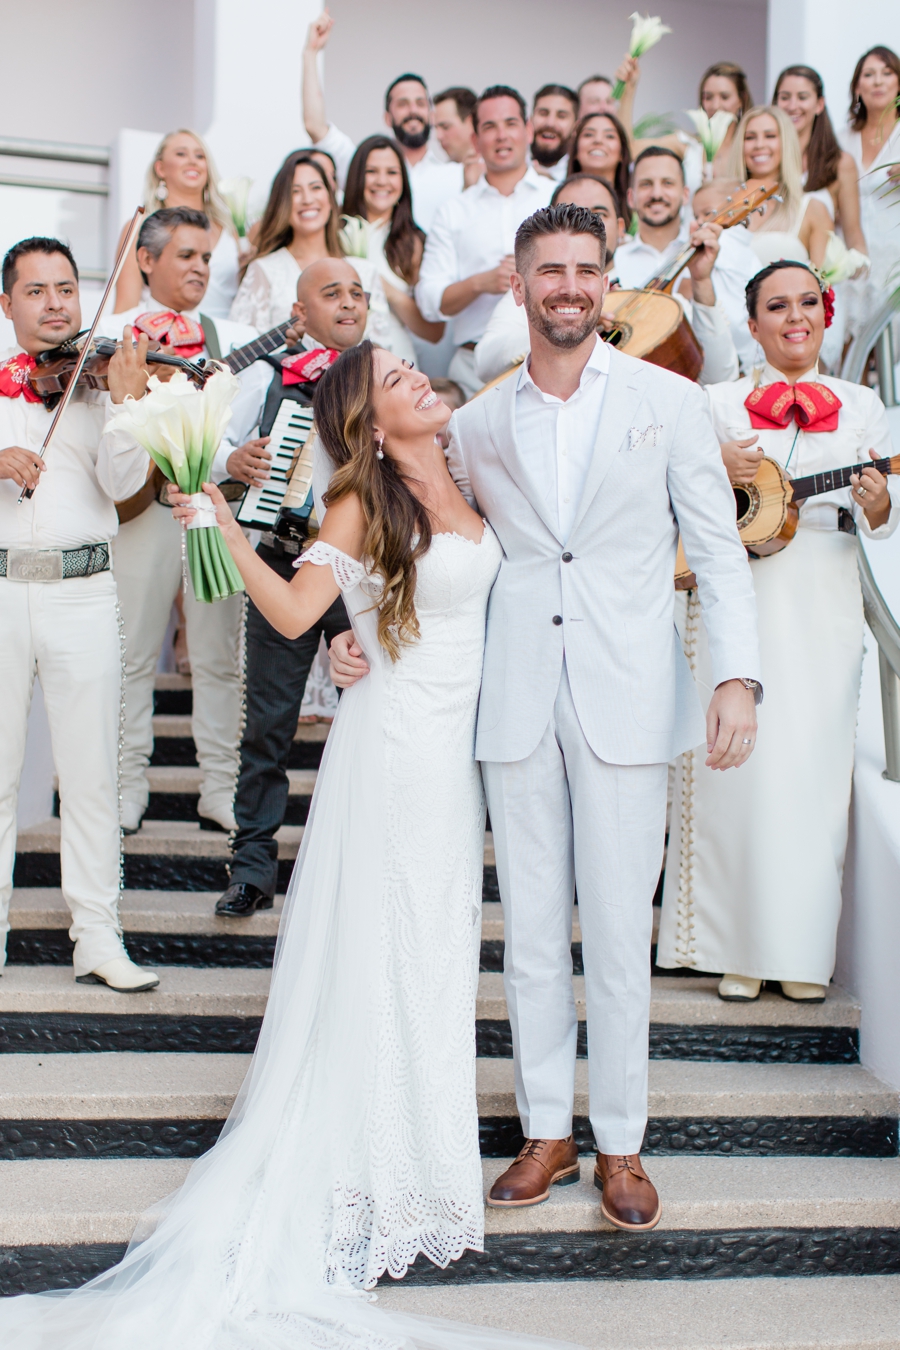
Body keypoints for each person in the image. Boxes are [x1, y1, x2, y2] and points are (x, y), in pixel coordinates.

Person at [0, 328, 580, 1350]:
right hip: (395, 754)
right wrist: (223, 524)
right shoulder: (363, 501)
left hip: (456, 762)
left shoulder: (470, 477)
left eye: (414, 368)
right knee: (384, 953)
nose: (420, 381)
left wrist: (360, 637)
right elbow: (294, 607)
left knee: (435, 953)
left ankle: (421, 1163)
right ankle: (375, 1170)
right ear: (369, 418)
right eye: (399, 378)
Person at [335, 203, 761, 1229]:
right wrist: (351, 633)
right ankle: (546, 1132)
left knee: (617, 932)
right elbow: (418, 535)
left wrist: (736, 678)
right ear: (518, 286)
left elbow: (720, 546)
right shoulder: (474, 422)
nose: (568, 286)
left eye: (584, 269)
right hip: (511, 694)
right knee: (530, 931)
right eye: (548, 271)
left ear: (607, 282)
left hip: (630, 692)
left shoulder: (671, 401)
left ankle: (621, 1142)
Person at [658, 259, 899, 1002]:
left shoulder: (864, 404)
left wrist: (880, 504)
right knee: (739, 773)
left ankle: (799, 952)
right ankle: (734, 948)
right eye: (776, 306)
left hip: (822, 590)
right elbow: (677, 492)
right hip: (734, 593)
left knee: (810, 773)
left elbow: (882, 524)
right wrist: (713, 464)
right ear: (753, 322)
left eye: (807, 303)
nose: (795, 317)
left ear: (826, 314)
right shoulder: (717, 401)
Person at [0, 237, 159, 993]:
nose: (57, 302)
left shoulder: (98, 382)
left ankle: (97, 937)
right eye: (37, 291)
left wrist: (128, 400)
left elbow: (125, 486)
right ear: (8, 305)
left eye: (67, 287)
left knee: (91, 775)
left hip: (84, 589)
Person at [97, 207, 270, 835]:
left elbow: (238, 430)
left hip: (209, 510)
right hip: (140, 510)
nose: (198, 267)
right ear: (146, 260)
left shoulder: (232, 334)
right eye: (185, 255)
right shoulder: (109, 330)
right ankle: (125, 785)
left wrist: (229, 459)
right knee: (132, 652)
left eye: (205, 257)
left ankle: (220, 786)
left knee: (220, 654)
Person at [214, 257, 367, 917]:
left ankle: (359, 863)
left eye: (358, 293)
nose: (349, 303)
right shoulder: (266, 376)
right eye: (332, 293)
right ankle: (251, 870)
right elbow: (214, 439)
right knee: (269, 724)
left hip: (358, 571)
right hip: (281, 560)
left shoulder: (380, 378)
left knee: (369, 719)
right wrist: (233, 460)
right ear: (299, 313)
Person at [416, 85, 554, 398]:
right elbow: (428, 300)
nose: (501, 135)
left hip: (550, 358)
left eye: (510, 124)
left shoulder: (556, 197)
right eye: (489, 127)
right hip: (471, 368)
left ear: (528, 130)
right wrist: (481, 282)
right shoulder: (454, 211)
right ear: (476, 140)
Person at [301, 10, 463, 233]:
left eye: (420, 103)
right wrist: (310, 54)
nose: (413, 110)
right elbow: (315, 126)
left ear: (431, 115)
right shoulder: (362, 165)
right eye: (403, 104)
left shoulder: (454, 175)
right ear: (388, 117)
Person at [614, 147, 756, 378]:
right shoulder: (614, 262)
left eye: (668, 183)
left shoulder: (719, 252)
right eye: (646, 184)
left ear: (685, 194)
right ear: (630, 197)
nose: (656, 193)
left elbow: (724, 372)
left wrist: (702, 284)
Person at [475, 172, 627, 382]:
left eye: (598, 214)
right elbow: (484, 362)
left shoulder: (647, 283)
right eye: (570, 214)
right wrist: (557, 325)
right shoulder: (531, 289)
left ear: (620, 228)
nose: (584, 224)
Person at [229, 150, 390, 346]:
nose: (307, 199)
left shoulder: (364, 271)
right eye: (295, 191)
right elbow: (239, 349)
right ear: (282, 203)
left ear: (330, 198)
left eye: (315, 188)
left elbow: (381, 349)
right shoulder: (264, 270)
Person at [113, 129, 241, 320]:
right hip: (162, 341)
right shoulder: (139, 226)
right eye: (181, 154)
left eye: (200, 156)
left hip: (223, 343)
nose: (192, 161)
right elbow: (125, 306)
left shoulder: (229, 230)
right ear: (160, 168)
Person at [340, 135, 445, 363]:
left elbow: (434, 331)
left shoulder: (413, 242)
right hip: (342, 359)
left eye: (392, 172)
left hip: (395, 357)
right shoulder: (335, 232)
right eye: (371, 171)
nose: (382, 181)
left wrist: (379, 285)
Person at [838, 46, 900, 345]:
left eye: (887, 73)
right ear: (857, 87)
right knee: (851, 346)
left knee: (890, 346)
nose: (878, 82)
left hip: (894, 257)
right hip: (850, 258)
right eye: (869, 74)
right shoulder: (841, 138)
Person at [726, 105, 832, 270]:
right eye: (750, 137)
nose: (759, 144)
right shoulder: (723, 207)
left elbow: (823, 286)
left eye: (770, 136)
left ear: (786, 143)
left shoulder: (812, 208)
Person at [774, 65, 867, 253]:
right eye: (785, 97)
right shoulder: (763, 159)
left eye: (802, 97)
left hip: (817, 273)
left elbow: (853, 235)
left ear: (819, 104)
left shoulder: (840, 164)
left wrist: (856, 265)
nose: (792, 106)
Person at [568, 111, 631, 210]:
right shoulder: (555, 200)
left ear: (622, 154)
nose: (598, 140)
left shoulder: (636, 206)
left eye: (609, 136)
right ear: (575, 150)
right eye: (588, 134)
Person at [433, 86, 483, 187]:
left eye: (445, 127)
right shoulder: (437, 178)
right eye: (436, 128)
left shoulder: (500, 169)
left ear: (471, 123)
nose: (438, 136)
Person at [531, 84, 579, 182]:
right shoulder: (506, 162)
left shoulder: (581, 173)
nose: (550, 123)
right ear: (530, 119)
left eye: (561, 116)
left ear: (576, 127)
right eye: (543, 113)